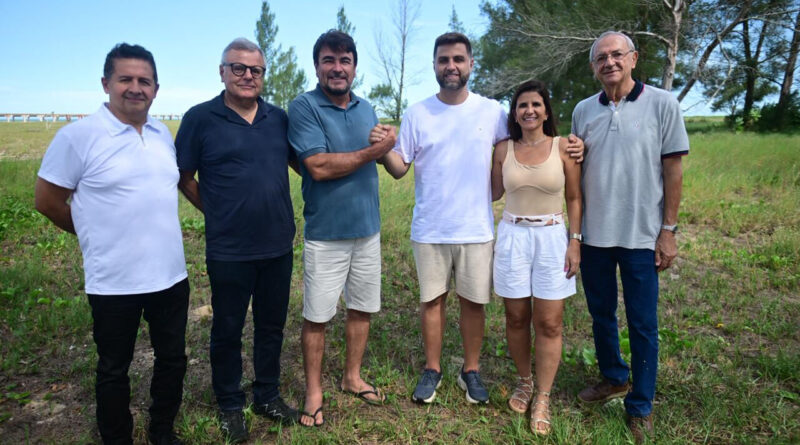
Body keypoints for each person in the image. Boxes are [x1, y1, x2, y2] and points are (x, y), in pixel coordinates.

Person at [374, 32, 584, 406]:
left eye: (458, 59)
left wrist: (571, 144)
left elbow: (525, 141)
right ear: (435, 65)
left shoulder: (491, 112)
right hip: (430, 227)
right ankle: (433, 368)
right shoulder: (417, 113)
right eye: (443, 60)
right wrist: (381, 149)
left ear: (471, 64)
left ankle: (470, 369)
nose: (450, 66)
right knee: (432, 301)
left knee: (474, 302)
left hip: (478, 228)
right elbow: (399, 169)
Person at [35, 43, 189, 445]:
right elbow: (47, 201)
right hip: (113, 282)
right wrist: (91, 231)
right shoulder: (78, 137)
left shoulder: (162, 135)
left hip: (170, 276)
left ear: (156, 89)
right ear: (106, 83)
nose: (135, 88)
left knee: (172, 360)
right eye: (126, 79)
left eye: (144, 81)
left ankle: (162, 431)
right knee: (113, 368)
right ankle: (116, 437)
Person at [175, 38, 299, 443]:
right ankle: (229, 403)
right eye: (239, 68)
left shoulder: (278, 118)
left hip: (278, 244)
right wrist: (216, 211)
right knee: (227, 328)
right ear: (222, 71)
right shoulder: (200, 119)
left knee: (271, 326)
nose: (248, 76)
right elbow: (184, 176)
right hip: (229, 250)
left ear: (264, 75)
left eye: (256, 70)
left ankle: (267, 394)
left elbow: (308, 163)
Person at [571, 31, 688, 444]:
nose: (609, 62)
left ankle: (640, 405)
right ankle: (614, 376)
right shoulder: (584, 111)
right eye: (601, 58)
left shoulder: (662, 104)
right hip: (595, 236)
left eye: (617, 54)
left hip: (641, 236)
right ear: (593, 67)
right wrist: (576, 234)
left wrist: (668, 231)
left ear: (634, 58)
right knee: (601, 314)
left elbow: (673, 170)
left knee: (643, 323)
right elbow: (576, 172)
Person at [287, 30, 396, 428]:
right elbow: (316, 166)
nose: (337, 68)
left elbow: (391, 161)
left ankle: (352, 376)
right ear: (317, 66)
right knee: (317, 315)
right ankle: (314, 391)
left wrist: (387, 143)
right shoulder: (304, 107)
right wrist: (374, 152)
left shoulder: (366, 108)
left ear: (354, 66)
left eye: (345, 60)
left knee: (362, 308)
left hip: (368, 230)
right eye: (329, 60)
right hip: (326, 234)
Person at [490, 80, 582, 435]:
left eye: (536, 104)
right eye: (522, 105)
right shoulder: (503, 149)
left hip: (551, 237)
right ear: (514, 113)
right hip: (513, 235)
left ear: (546, 110)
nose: (529, 110)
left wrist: (575, 241)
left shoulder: (564, 147)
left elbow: (574, 198)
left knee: (549, 322)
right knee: (515, 317)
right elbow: (492, 191)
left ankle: (543, 395)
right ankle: (524, 380)